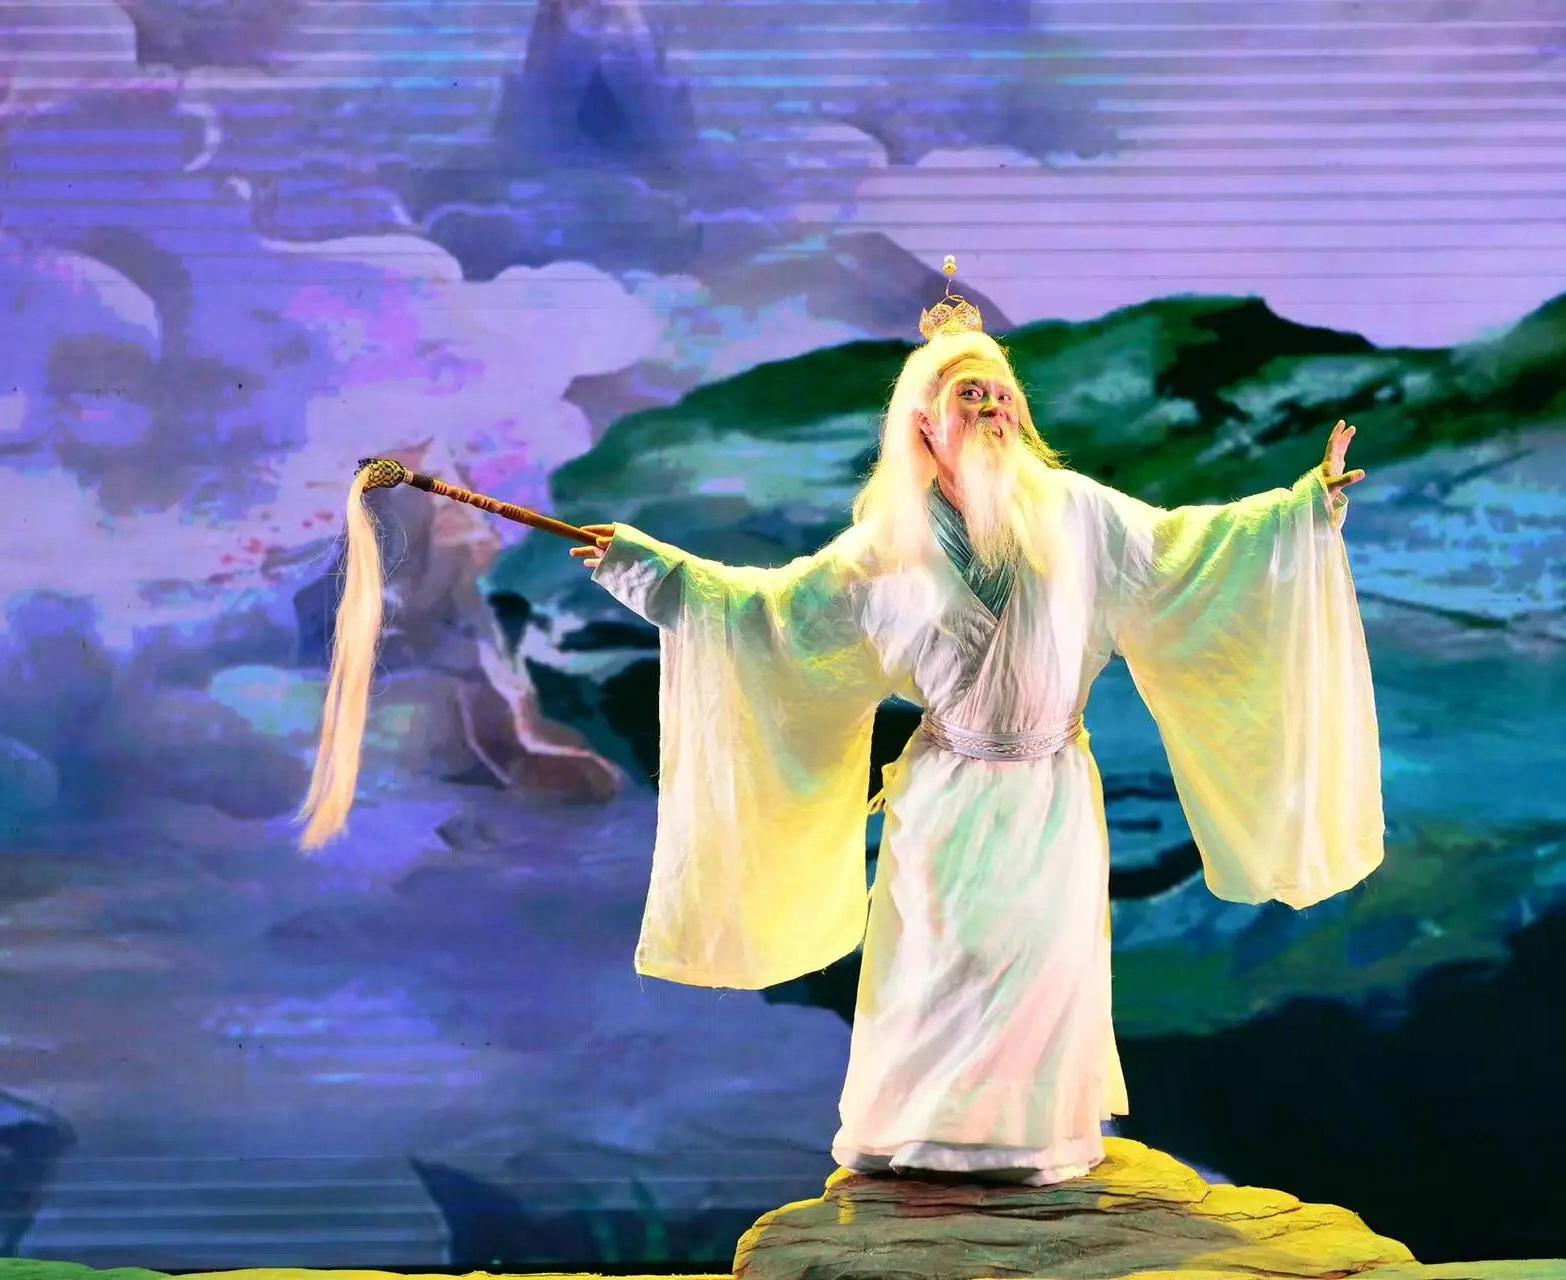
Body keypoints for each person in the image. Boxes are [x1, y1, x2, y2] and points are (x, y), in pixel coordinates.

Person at [570, 263, 1384, 1186]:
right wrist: (655, 572)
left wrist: (1299, 513)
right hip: (946, 789)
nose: (993, 408)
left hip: (1048, 786)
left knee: (1039, 960)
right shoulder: (889, 542)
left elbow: (1185, 553)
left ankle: (1030, 1141)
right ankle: (915, 1129)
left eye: (1001, 394)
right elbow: (774, 616)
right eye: (970, 395)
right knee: (941, 957)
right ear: (923, 421)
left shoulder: (1078, 513)